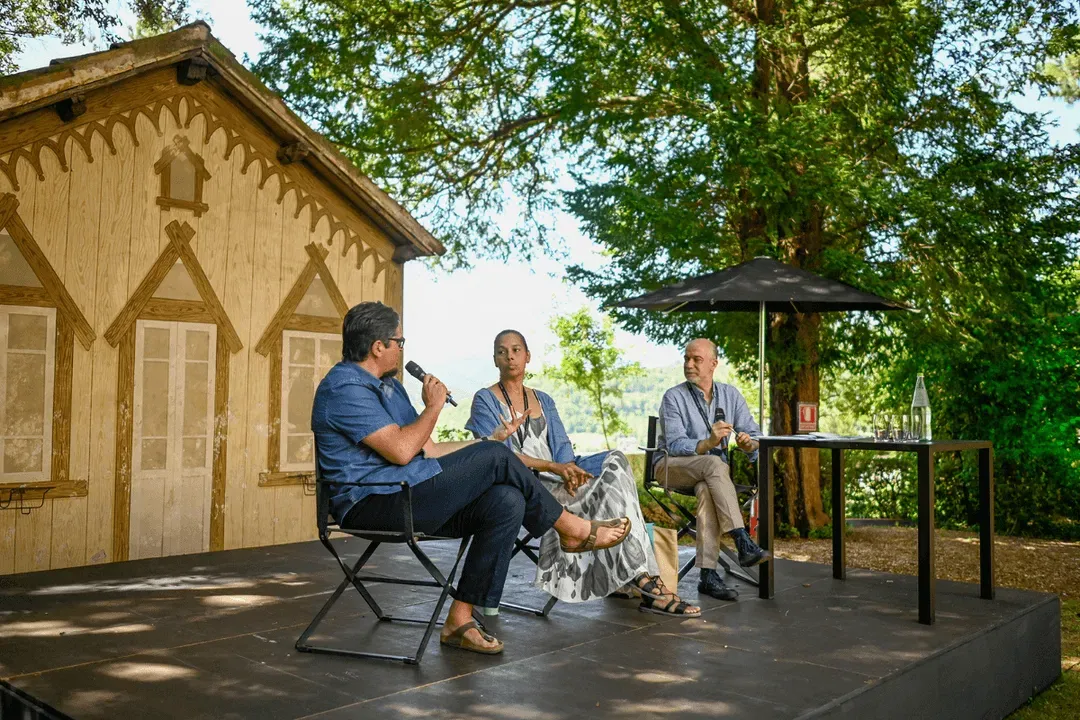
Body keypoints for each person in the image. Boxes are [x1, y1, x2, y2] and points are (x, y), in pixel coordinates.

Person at [312, 303, 632, 656]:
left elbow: (430, 450)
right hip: (372, 504)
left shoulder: (389, 387)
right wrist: (434, 407)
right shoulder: (343, 389)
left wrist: (490, 440)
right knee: (497, 458)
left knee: (506, 500)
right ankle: (571, 529)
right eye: (399, 342)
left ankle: (459, 619)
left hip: (409, 493)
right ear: (378, 346)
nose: (402, 349)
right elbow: (402, 451)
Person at [467, 330, 700, 617]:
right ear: (495, 360)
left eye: (516, 350)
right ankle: (647, 582)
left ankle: (640, 577)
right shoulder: (485, 400)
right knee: (611, 499)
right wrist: (555, 468)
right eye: (502, 352)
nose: (510, 357)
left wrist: (571, 473)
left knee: (616, 461)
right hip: (526, 487)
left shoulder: (543, 400)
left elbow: (562, 449)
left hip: (559, 478)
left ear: (528, 356)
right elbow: (496, 455)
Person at [657, 338, 770, 602]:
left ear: (713, 364)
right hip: (670, 466)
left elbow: (755, 437)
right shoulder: (673, 397)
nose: (689, 364)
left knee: (708, 488)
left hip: (711, 476)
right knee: (714, 463)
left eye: (696, 359)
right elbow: (675, 445)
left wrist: (748, 443)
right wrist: (708, 442)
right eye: (686, 358)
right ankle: (741, 539)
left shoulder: (731, 396)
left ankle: (707, 575)